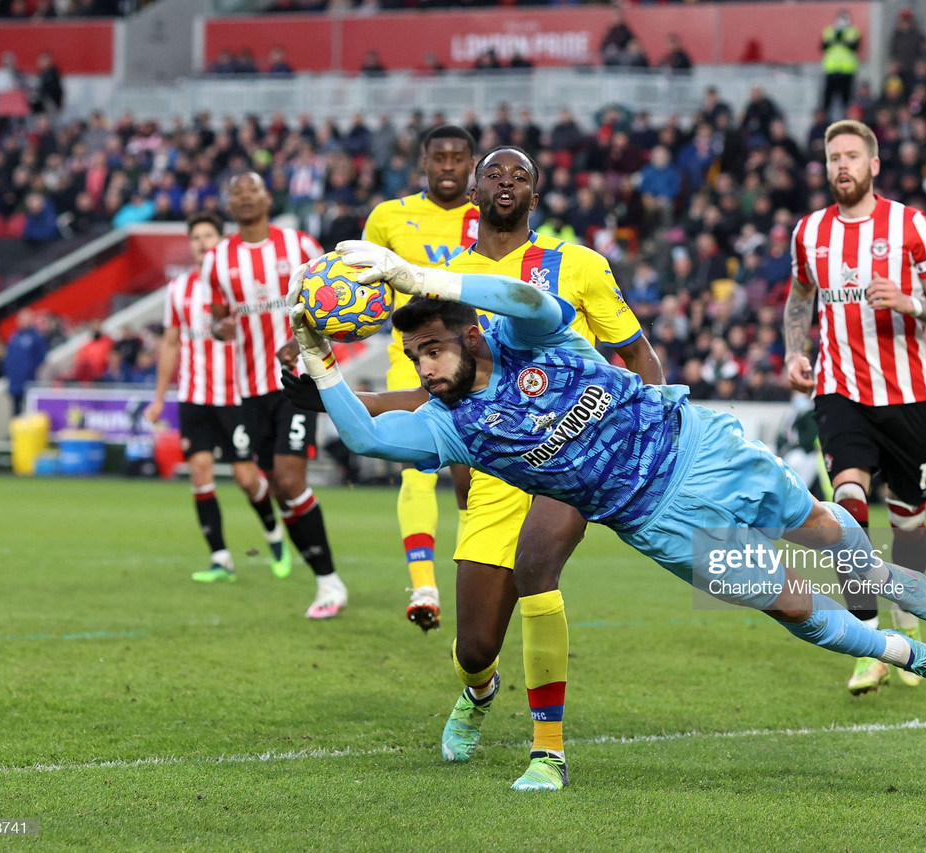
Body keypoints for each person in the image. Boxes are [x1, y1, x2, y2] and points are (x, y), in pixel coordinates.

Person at [285, 242, 926, 787]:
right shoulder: (453, 426)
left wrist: (424, 278)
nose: (422, 369)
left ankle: (877, 573)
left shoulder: (528, 336)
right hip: (659, 520)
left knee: (818, 522)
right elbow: (368, 436)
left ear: (468, 337)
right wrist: (321, 362)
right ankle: (912, 655)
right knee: (793, 606)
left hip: (701, 446)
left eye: (430, 350)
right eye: (412, 357)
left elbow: (522, 295)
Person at [291, 146, 662, 792]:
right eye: (494, 172)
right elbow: (425, 391)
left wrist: (648, 425)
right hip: (489, 474)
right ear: (473, 188)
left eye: (520, 174)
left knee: (538, 569)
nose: (506, 181)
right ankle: (478, 691)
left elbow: (638, 354)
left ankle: (548, 751)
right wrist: (321, 384)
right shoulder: (439, 278)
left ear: (536, 193)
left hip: (569, 459)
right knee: (474, 647)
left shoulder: (577, 266)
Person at [783, 119, 926, 696]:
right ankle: (869, 647)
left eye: (852, 157)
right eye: (834, 157)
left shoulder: (909, 224)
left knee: (908, 521)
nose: (842, 165)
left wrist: (908, 300)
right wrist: (794, 349)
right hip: (839, 391)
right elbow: (800, 296)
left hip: (909, 394)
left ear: (873, 165)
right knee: (848, 508)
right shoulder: (809, 231)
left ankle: (910, 625)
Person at [206, 173, 344, 619]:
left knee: (288, 479)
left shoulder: (300, 245)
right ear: (229, 204)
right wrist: (219, 328)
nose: (245, 197)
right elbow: (217, 318)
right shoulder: (218, 259)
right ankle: (324, 577)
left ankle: (328, 582)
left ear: (268, 198)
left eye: (252, 190)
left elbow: (331, 301)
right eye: (236, 192)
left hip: (294, 381)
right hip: (249, 388)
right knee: (279, 490)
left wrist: (304, 341)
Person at [360, 126, 479, 632]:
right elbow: (354, 289)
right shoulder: (389, 217)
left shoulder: (487, 217)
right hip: (409, 363)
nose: (449, 166)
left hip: (478, 362)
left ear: (471, 164)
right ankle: (424, 585)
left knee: (473, 480)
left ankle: (478, 575)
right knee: (415, 469)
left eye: (458, 158)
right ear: (424, 162)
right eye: (440, 157)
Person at [145, 211, 290, 583]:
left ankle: (274, 533)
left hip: (236, 395)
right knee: (199, 470)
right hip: (194, 396)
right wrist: (160, 398)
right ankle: (221, 558)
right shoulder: (179, 289)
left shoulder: (237, 285)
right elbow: (172, 343)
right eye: (196, 237)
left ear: (221, 241)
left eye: (209, 235)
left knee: (246, 478)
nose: (202, 242)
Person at [3, 309, 47, 417]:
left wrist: (30, 370)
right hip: (14, 381)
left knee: (30, 409)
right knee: (15, 411)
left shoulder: (36, 337)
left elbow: (41, 357)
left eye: (26, 319)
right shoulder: (13, 337)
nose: (24, 322)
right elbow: (8, 358)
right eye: (22, 319)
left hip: (29, 381)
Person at [820, 11, 861, 117]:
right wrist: (835, 37)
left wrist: (842, 38)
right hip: (831, 71)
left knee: (846, 102)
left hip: (847, 71)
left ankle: (846, 121)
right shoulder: (829, 31)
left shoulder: (853, 31)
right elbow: (823, 47)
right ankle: (826, 123)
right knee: (827, 101)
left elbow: (854, 47)